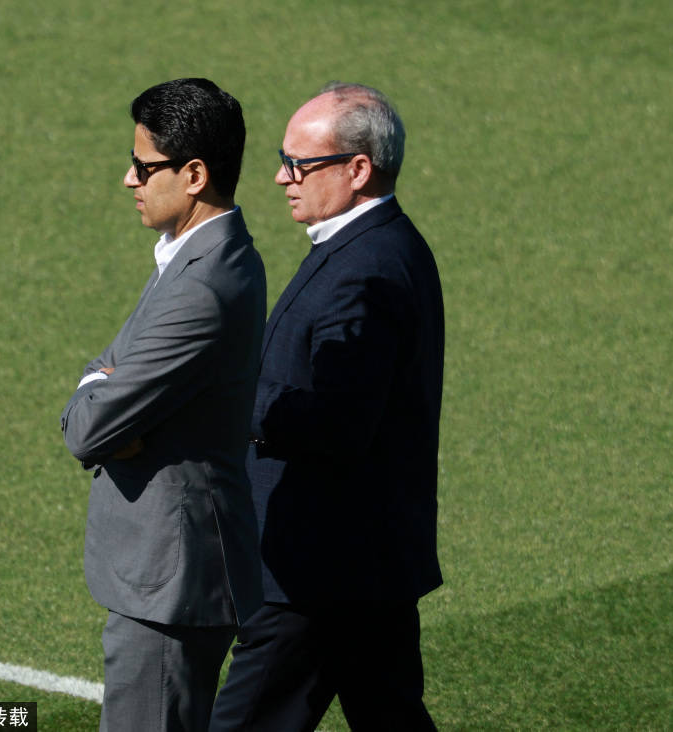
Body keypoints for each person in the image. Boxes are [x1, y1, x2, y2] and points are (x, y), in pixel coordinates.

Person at [209, 82, 445, 730]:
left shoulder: (363, 270)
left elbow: (340, 424)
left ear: (358, 169)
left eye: (298, 164)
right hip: (365, 565)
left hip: (318, 577)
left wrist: (234, 393)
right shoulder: (381, 246)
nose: (281, 177)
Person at [60, 78, 266, 732]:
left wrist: (98, 394)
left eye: (144, 166)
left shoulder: (201, 285)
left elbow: (89, 428)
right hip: (172, 574)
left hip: (171, 585)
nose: (130, 179)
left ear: (195, 174)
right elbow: (108, 373)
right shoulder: (197, 256)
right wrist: (107, 388)